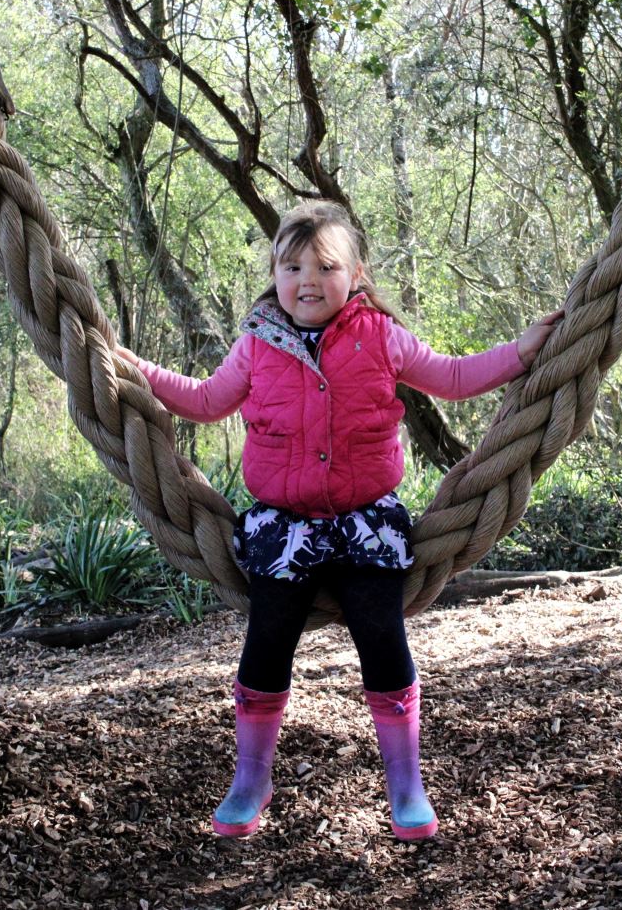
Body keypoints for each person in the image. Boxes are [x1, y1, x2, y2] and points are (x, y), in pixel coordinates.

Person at [116, 201, 561, 841]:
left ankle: (405, 780)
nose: (307, 279)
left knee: (381, 631)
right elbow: (209, 401)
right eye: (292, 265)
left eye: (325, 266)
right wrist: (138, 370)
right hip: (284, 523)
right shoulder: (256, 343)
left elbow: (456, 377)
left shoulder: (381, 336)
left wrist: (523, 350)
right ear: (274, 271)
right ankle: (251, 776)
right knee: (268, 637)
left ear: (355, 273)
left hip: (364, 521)